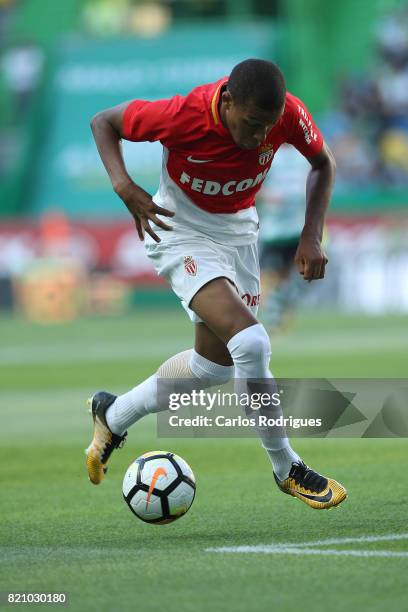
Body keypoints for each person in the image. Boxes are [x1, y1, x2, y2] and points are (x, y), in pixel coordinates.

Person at [86, 58, 347, 510]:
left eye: (268, 127)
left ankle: (113, 414)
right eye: (251, 124)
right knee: (252, 343)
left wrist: (311, 234)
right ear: (227, 102)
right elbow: (103, 122)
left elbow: (322, 163)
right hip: (179, 231)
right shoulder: (183, 115)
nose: (260, 137)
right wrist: (124, 185)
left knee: (215, 367)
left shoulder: (287, 114)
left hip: (239, 232)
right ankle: (286, 467)